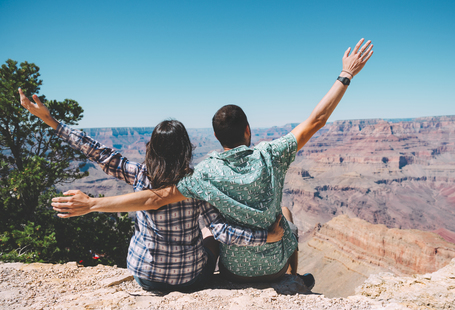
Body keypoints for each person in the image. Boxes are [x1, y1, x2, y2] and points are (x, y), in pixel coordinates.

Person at [49, 38, 374, 288]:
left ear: (217, 139)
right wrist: (346, 73)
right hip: (264, 265)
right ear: (247, 131)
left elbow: (149, 193)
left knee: (210, 231)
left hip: (204, 271)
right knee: (285, 215)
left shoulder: (205, 173)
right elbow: (316, 120)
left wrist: (92, 203)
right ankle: (296, 278)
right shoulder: (272, 153)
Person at [18, 89, 285, 292]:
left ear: (152, 148)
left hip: (145, 276)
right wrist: (266, 237)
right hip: (189, 279)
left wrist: (54, 122)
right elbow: (221, 230)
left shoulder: (138, 174)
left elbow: (98, 152)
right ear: (186, 150)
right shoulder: (195, 186)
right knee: (209, 236)